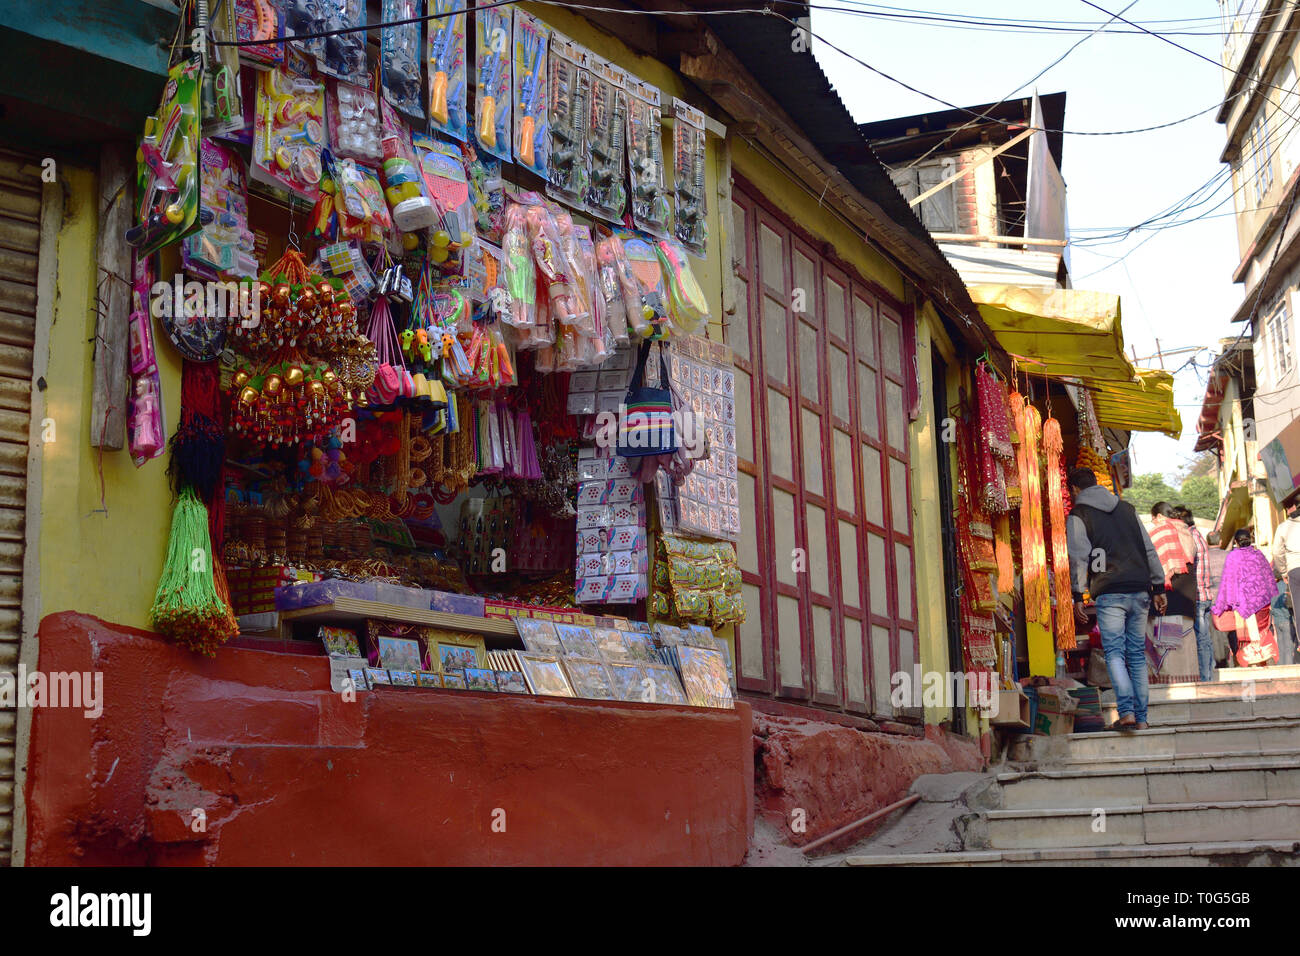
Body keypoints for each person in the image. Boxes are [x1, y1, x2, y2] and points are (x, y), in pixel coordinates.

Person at [1066, 467, 1167, 731]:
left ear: (1075, 490)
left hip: (1109, 591)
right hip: (1140, 588)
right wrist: (1159, 586)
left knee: (1114, 653)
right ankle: (1141, 718)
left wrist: (1077, 594)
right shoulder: (1127, 509)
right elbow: (1148, 548)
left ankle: (1126, 714)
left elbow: (1078, 557)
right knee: (1135, 654)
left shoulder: (1079, 515)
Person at [1144, 502, 1199, 683]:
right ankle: (1187, 682)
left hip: (1168, 598)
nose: (1153, 524)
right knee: (1183, 646)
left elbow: (1153, 563)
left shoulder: (1162, 531)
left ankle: (1169, 685)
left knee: (1167, 646)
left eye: (1153, 519)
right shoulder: (1186, 532)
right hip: (1187, 598)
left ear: (1159, 516)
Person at [1213, 527, 1281, 668]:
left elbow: (1228, 582)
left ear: (1236, 542)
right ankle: (1264, 656)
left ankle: (1252, 659)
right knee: (1263, 630)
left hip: (1244, 604)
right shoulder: (1258, 554)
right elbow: (1268, 577)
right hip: (1262, 603)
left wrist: (1221, 605)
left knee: (1246, 634)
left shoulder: (1233, 557)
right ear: (1250, 540)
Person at [1177, 506, 1216, 681]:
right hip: (1206, 594)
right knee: (1205, 639)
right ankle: (1208, 673)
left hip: (1199, 595)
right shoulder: (1198, 535)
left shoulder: (1190, 538)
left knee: (1201, 640)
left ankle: (1205, 677)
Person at [1271, 497, 1300, 663]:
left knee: (1298, 606)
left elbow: (1277, 552)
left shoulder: (1283, 527)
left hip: (1294, 569)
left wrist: (1283, 571)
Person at [1204, 532, 1232, 663]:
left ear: (1207, 542)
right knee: (1231, 630)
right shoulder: (1228, 556)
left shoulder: (1204, 557)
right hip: (1229, 600)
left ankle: (1220, 661)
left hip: (1211, 599)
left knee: (1215, 633)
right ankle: (1233, 658)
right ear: (1220, 542)